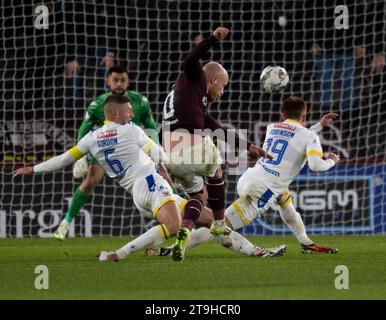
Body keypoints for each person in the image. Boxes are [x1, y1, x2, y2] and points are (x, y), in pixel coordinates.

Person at [148, 101, 340, 257]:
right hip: (262, 189)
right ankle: (172, 248)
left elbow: (298, 135)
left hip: (250, 177)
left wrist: (319, 126)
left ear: (283, 115)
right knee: (220, 226)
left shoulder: (273, 127)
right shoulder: (308, 136)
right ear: (304, 116)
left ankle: (306, 242)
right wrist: (330, 161)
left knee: (284, 198)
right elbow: (316, 165)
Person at [14, 95, 180, 261]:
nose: (132, 115)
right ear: (115, 114)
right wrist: (183, 161)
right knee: (174, 225)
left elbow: (63, 160)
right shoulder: (131, 129)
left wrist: (33, 169)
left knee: (204, 217)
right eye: (129, 111)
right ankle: (119, 254)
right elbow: (160, 156)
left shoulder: (92, 138)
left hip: (137, 193)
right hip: (150, 182)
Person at [161, 27, 270, 261]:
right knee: (216, 167)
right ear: (212, 79)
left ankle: (185, 230)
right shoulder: (195, 77)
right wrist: (212, 39)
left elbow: (216, 127)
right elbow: (190, 60)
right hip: (189, 142)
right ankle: (219, 223)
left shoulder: (189, 95)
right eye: (223, 86)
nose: (222, 92)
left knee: (199, 198)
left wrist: (248, 145)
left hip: (170, 155)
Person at [53, 66, 159, 240]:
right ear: (108, 81)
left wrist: (155, 149)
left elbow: (151, 127)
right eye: (115, 80)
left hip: (132, 150)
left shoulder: (140, 101)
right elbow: (84, 129)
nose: (119, 84)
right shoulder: (98, 104)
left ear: (128, 82)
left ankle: (179, 216)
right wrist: (81, 157)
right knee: (91, 180)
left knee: (162, 177)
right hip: (107, 147)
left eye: (123, 80)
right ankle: (65, 223)